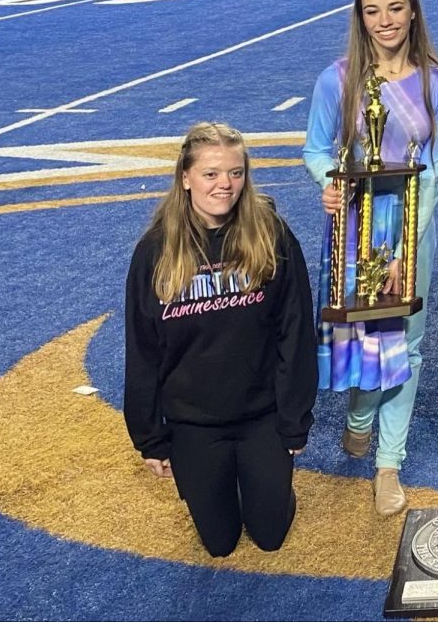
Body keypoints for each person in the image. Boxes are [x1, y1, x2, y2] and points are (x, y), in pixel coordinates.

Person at [124, 122, 317, 558]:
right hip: (193, 422)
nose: (225, 185)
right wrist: (150, 436)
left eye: (236, 172)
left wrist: (293, 419)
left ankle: (272, 485)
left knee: (269, 536)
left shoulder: (272, 235)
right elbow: (142, 349)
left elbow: (296, 333)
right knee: (220, 543)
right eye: (211, 174)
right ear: (185, 178)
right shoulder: (154, 252)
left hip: (261, 415)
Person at [303, 0, 438, 517]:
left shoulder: (437, 83)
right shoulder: (336, 80)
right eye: (373, 10)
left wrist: (406, 248)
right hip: (353, 229)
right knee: (364, 338)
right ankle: (360, 416)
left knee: (405, 346)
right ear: (360, 18)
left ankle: (388, 462)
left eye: (395, 7)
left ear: (412, 10)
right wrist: (330, 183)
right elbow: (316, 150)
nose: (385, 20)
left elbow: (435, 172)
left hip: (412, 226)